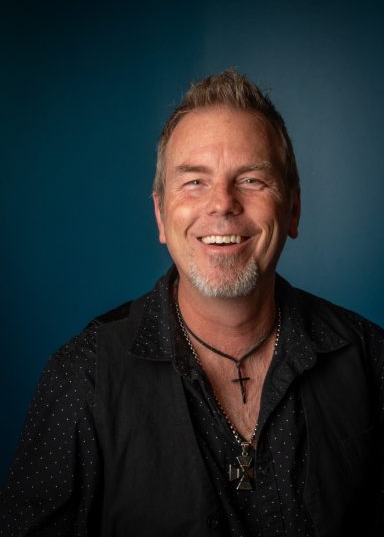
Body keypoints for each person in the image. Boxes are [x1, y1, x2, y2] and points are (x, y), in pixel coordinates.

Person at [0, 70, 383, 537]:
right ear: (161, 215)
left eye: (251, 179)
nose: (222, 204)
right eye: (195, 182)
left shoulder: (369, 358)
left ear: (293, 209)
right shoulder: (82, 378)